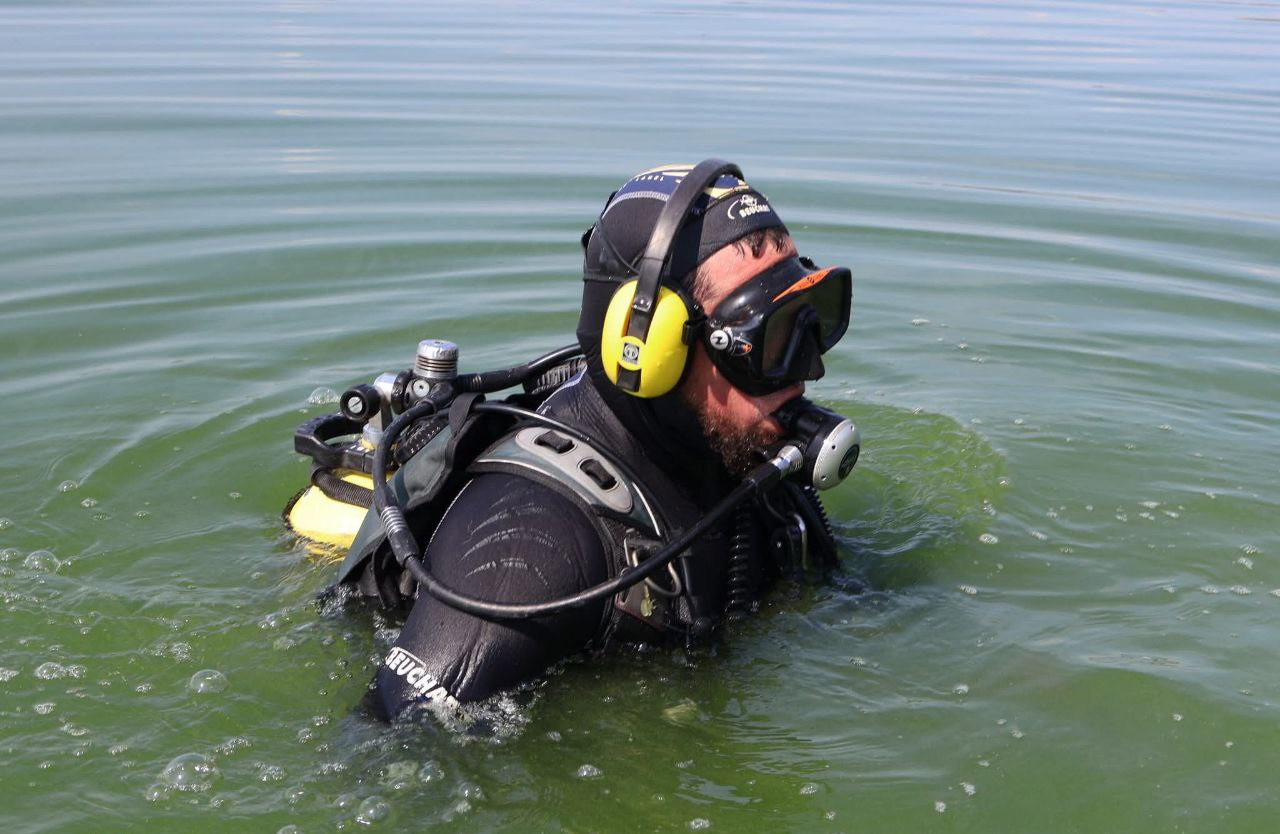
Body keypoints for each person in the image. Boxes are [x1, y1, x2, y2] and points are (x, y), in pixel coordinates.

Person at [341, 160, 854, 719]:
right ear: (650, 350)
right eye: (767, 340)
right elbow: (386, 744)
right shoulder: (526, 551)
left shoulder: (744, 452)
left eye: (809, 320)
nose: (808, 370)